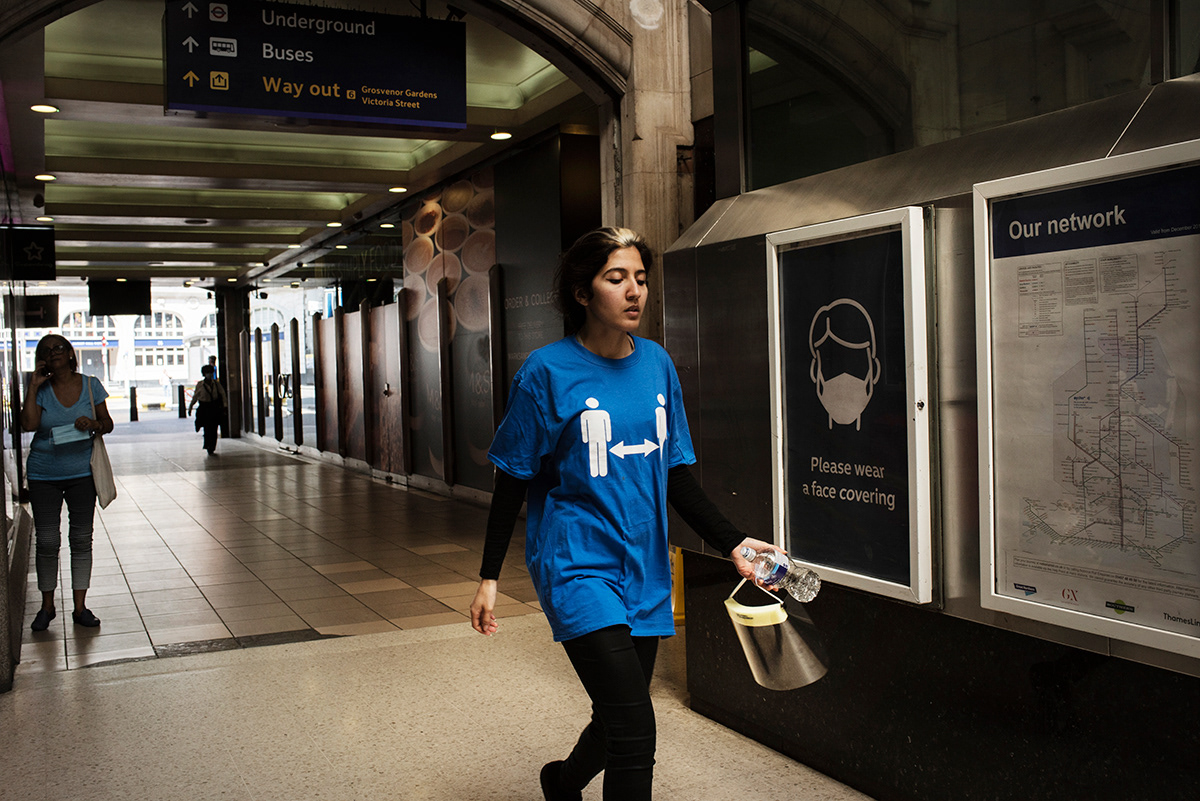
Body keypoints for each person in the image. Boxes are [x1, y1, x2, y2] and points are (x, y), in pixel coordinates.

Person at [469, 227, 782, 801]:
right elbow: (513, 476)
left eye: (641, 278)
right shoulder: (546, 371)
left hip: (643, 563)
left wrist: (733, 542)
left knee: (619, 714)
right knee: (637, 727)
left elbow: (673, 473)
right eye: (616, 279)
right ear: (583, 293)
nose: (634, 291)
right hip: (577, 565)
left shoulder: (657, 365)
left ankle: (561, 782)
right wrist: (489, 577)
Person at [21, 334, 114, 632]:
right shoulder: (42, 389)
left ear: (71, 354)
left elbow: (108, 423)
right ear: (42, 359)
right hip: (43, 473)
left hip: (81, 473)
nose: (53, 353)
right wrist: (33, 386)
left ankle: (79, 607)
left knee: (80, 539)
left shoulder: (90, 384)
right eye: (46, 350)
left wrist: (94, 424)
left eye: (59, 347)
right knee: (47, 540)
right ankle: (47, 607)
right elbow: (29, 424)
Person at [187, 364, 228, 455]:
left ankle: (212, 446)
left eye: (210, 372)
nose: (209, 374)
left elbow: (223, 395)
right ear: (204, 374)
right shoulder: (200, 385)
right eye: (207, 373)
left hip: (214, 408)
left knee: (214, 428)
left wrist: (225, 406)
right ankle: (207, 444)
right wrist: (190, 407)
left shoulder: (216, 384)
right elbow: (195, 396)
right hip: (204, 408)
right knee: (207, 428)